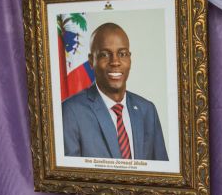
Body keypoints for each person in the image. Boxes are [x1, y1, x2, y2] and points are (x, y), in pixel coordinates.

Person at [62, 22, 169, 161]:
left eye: (122, 54)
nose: (115, 62)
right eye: (105, 55)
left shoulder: (147, 110)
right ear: (91, 61)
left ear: (130, 59)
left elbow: (162, 174)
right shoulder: (70, 112)